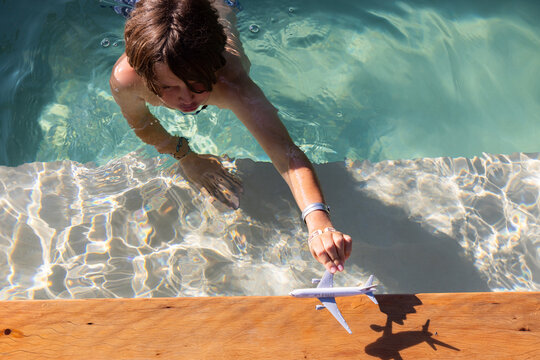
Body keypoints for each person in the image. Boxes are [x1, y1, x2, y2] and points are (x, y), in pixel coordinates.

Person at [109, 0, 351, 274]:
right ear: (146, 75)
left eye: (198, 84)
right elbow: (142, 124)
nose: (186, 98)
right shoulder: (127, 80)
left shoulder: (230, 83)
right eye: (168, 87)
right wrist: (186, 156)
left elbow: (286, 153)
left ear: (214, 65)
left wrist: (318, 221)